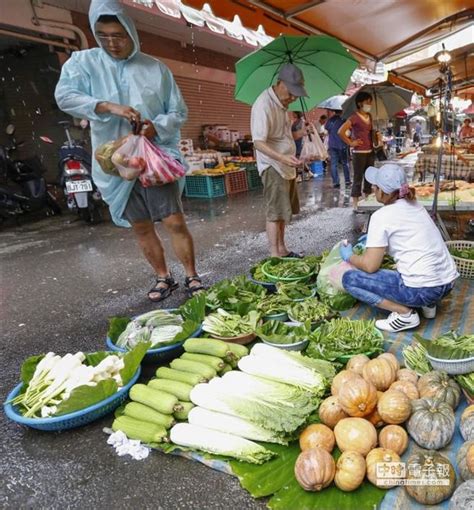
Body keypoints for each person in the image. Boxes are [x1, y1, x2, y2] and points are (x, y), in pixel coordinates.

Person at [55, 0, 204, 302]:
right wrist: (107, 106)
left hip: (155, 160)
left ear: (131, 33)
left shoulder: (155, 69)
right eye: (103, 35)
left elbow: (178, 111)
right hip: (116, 165)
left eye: (118, 35)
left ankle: (192, 276)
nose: (111, 42)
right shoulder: (83, 63)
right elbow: (65, 96)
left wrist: (156, 127)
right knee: (141, 225)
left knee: (174, 220)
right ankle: (163, 277)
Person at [339, 163, 458, 333]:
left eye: (375, 186)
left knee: (349, 279)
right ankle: (428, 306)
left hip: (422, 290)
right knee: (417, 268)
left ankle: (405, 314)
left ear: (383, 192)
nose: (372, 188)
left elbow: (370, 266)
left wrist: (349, 256)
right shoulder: (416, 205)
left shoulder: (381, 216)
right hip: (447, 284)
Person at [251, 63, 307, 257]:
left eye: (296, 94)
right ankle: (274, 255)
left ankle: (283, 249)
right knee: (275, 212)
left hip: (286, 165)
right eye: (291, 93)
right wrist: (282, 157)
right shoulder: (263, 104)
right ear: (280, 83)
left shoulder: (282, 106)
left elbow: (284, 136)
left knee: (284, 210)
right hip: (273, 164)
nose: (292, 98)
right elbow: (258, 142)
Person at [338, 92, 374, 213]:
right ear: (360, 103)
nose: (369, 105)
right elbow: (341, 132)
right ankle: (356, 205)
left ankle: (368, 201)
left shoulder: (370, 116)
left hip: (370, 151)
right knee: (358, 177)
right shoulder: (354, 117)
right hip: (359, 152)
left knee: (369, 177)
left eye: (370, 102)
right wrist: (351, 143)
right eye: (367, 102)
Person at [325, 109, 351, 188]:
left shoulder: (330, 120)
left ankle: (336, 182)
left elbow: (327, 128)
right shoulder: (344, 120)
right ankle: (347, 180)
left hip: (332, 145)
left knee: (333, 164)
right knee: (345, 163)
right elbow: (348, 131)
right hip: (342, 144)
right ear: (342, 111)